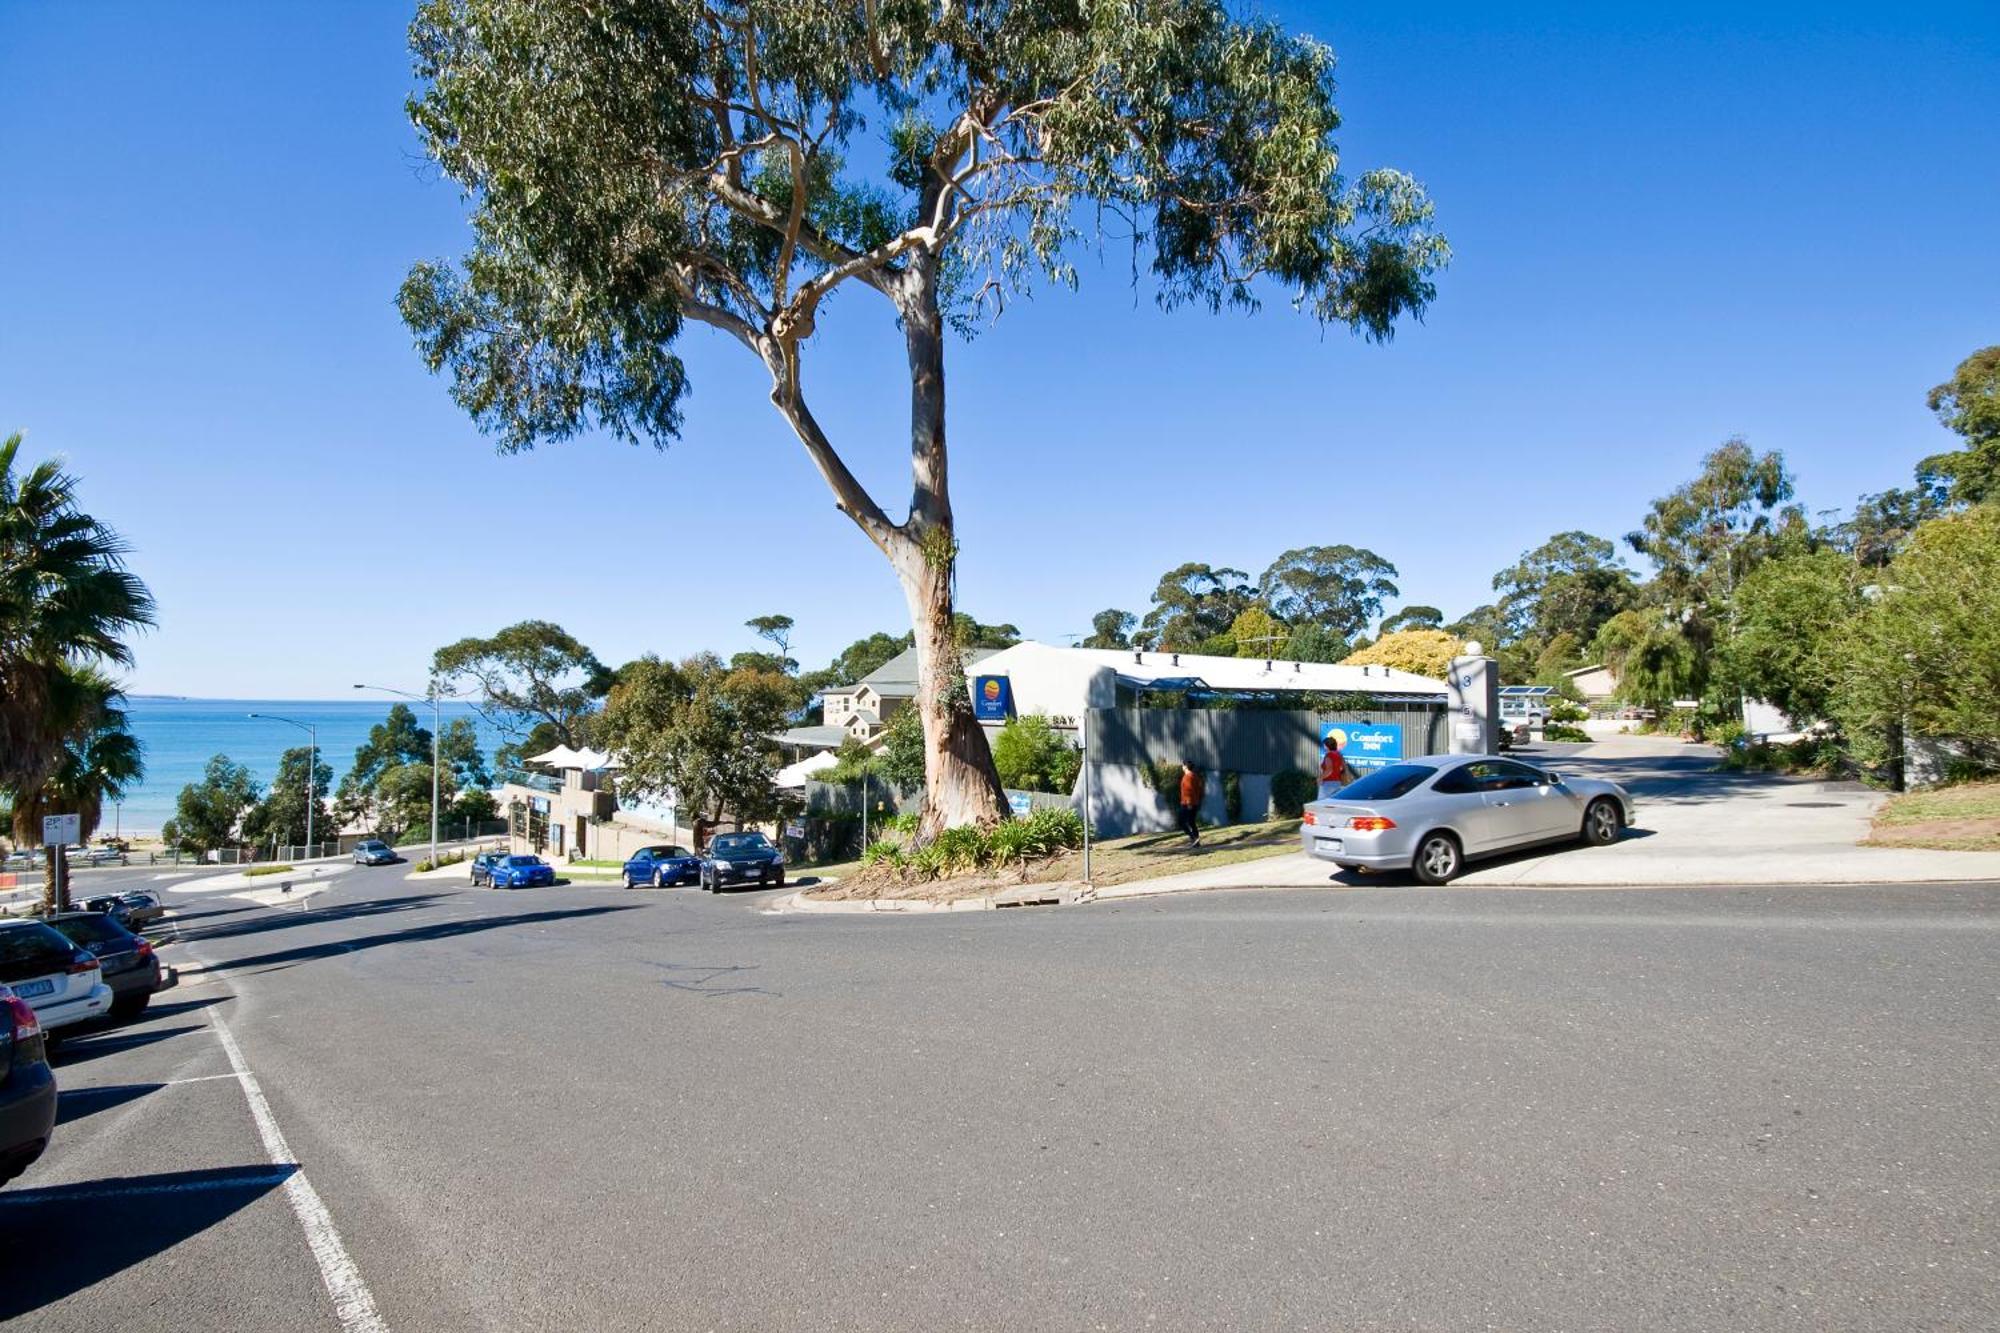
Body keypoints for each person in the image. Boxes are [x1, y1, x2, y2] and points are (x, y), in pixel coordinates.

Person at [1178, 762, 1205, 846]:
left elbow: (1189, 791)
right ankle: (1196, 842)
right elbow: (1200, 790)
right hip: (1194, 802)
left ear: (1186, 767)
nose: (1182, 767)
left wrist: (1189, 803)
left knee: (1181, 821)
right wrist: (1197, 800)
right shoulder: (1195, 776)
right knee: (1191, 822)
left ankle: (1193, 838)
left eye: (1183, 765)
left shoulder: (1187, 777)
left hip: (1187, 803)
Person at [1318, 734, 1350, 802]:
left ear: (1327, 746)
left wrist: (1320, 778)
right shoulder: (1339, 755)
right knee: (1333, 803)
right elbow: (1344, 768)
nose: (1323, 746)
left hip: (1327, 784)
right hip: (1337, 783)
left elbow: (1329, 770)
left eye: (1324, 745)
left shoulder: (1329, 755)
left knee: (1322, 804)